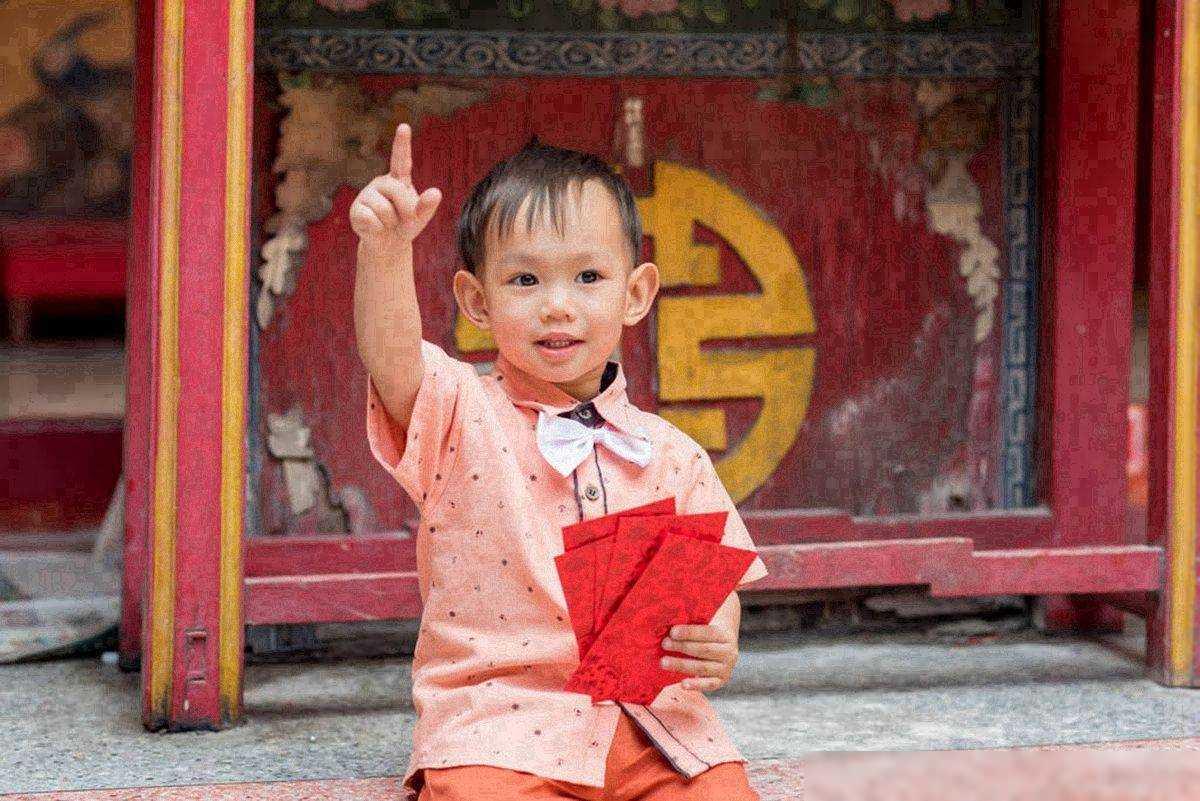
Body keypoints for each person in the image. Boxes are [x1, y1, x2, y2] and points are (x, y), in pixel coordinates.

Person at [354, 122, 770, 801]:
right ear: (477, 302)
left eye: (588, 276)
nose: (557, 306)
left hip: (653, 726)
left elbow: (712, 583)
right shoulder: (460, 415)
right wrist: (384, 251)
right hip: (498, 726)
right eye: (525, 279)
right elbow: (391, 357)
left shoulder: (674, 454)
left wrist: (718, 636)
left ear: (635, 294)